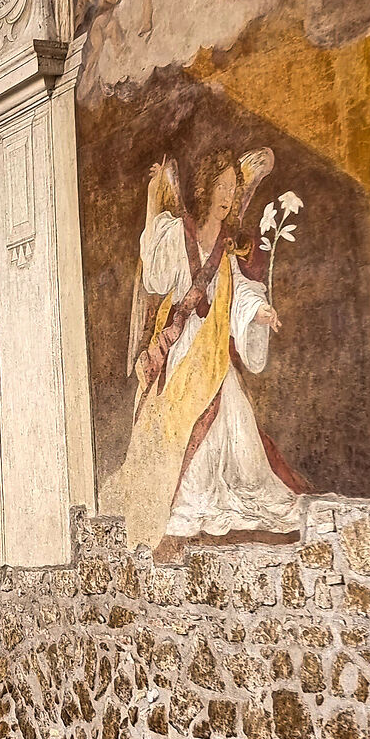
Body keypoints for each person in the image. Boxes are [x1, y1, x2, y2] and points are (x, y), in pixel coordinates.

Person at [110, 148, 301, 548]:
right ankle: (181, 499)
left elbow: (235, 291)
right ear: (206, 188)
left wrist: (259, 310)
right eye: (221, 186)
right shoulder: (179, 232)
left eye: (233, 187)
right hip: (180, 351)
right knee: (174, 429)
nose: (228, 195)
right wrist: (151, 200)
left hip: (212, 349)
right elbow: (158, 277)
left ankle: (231, 493)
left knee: (237, 428)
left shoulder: (226, 246)